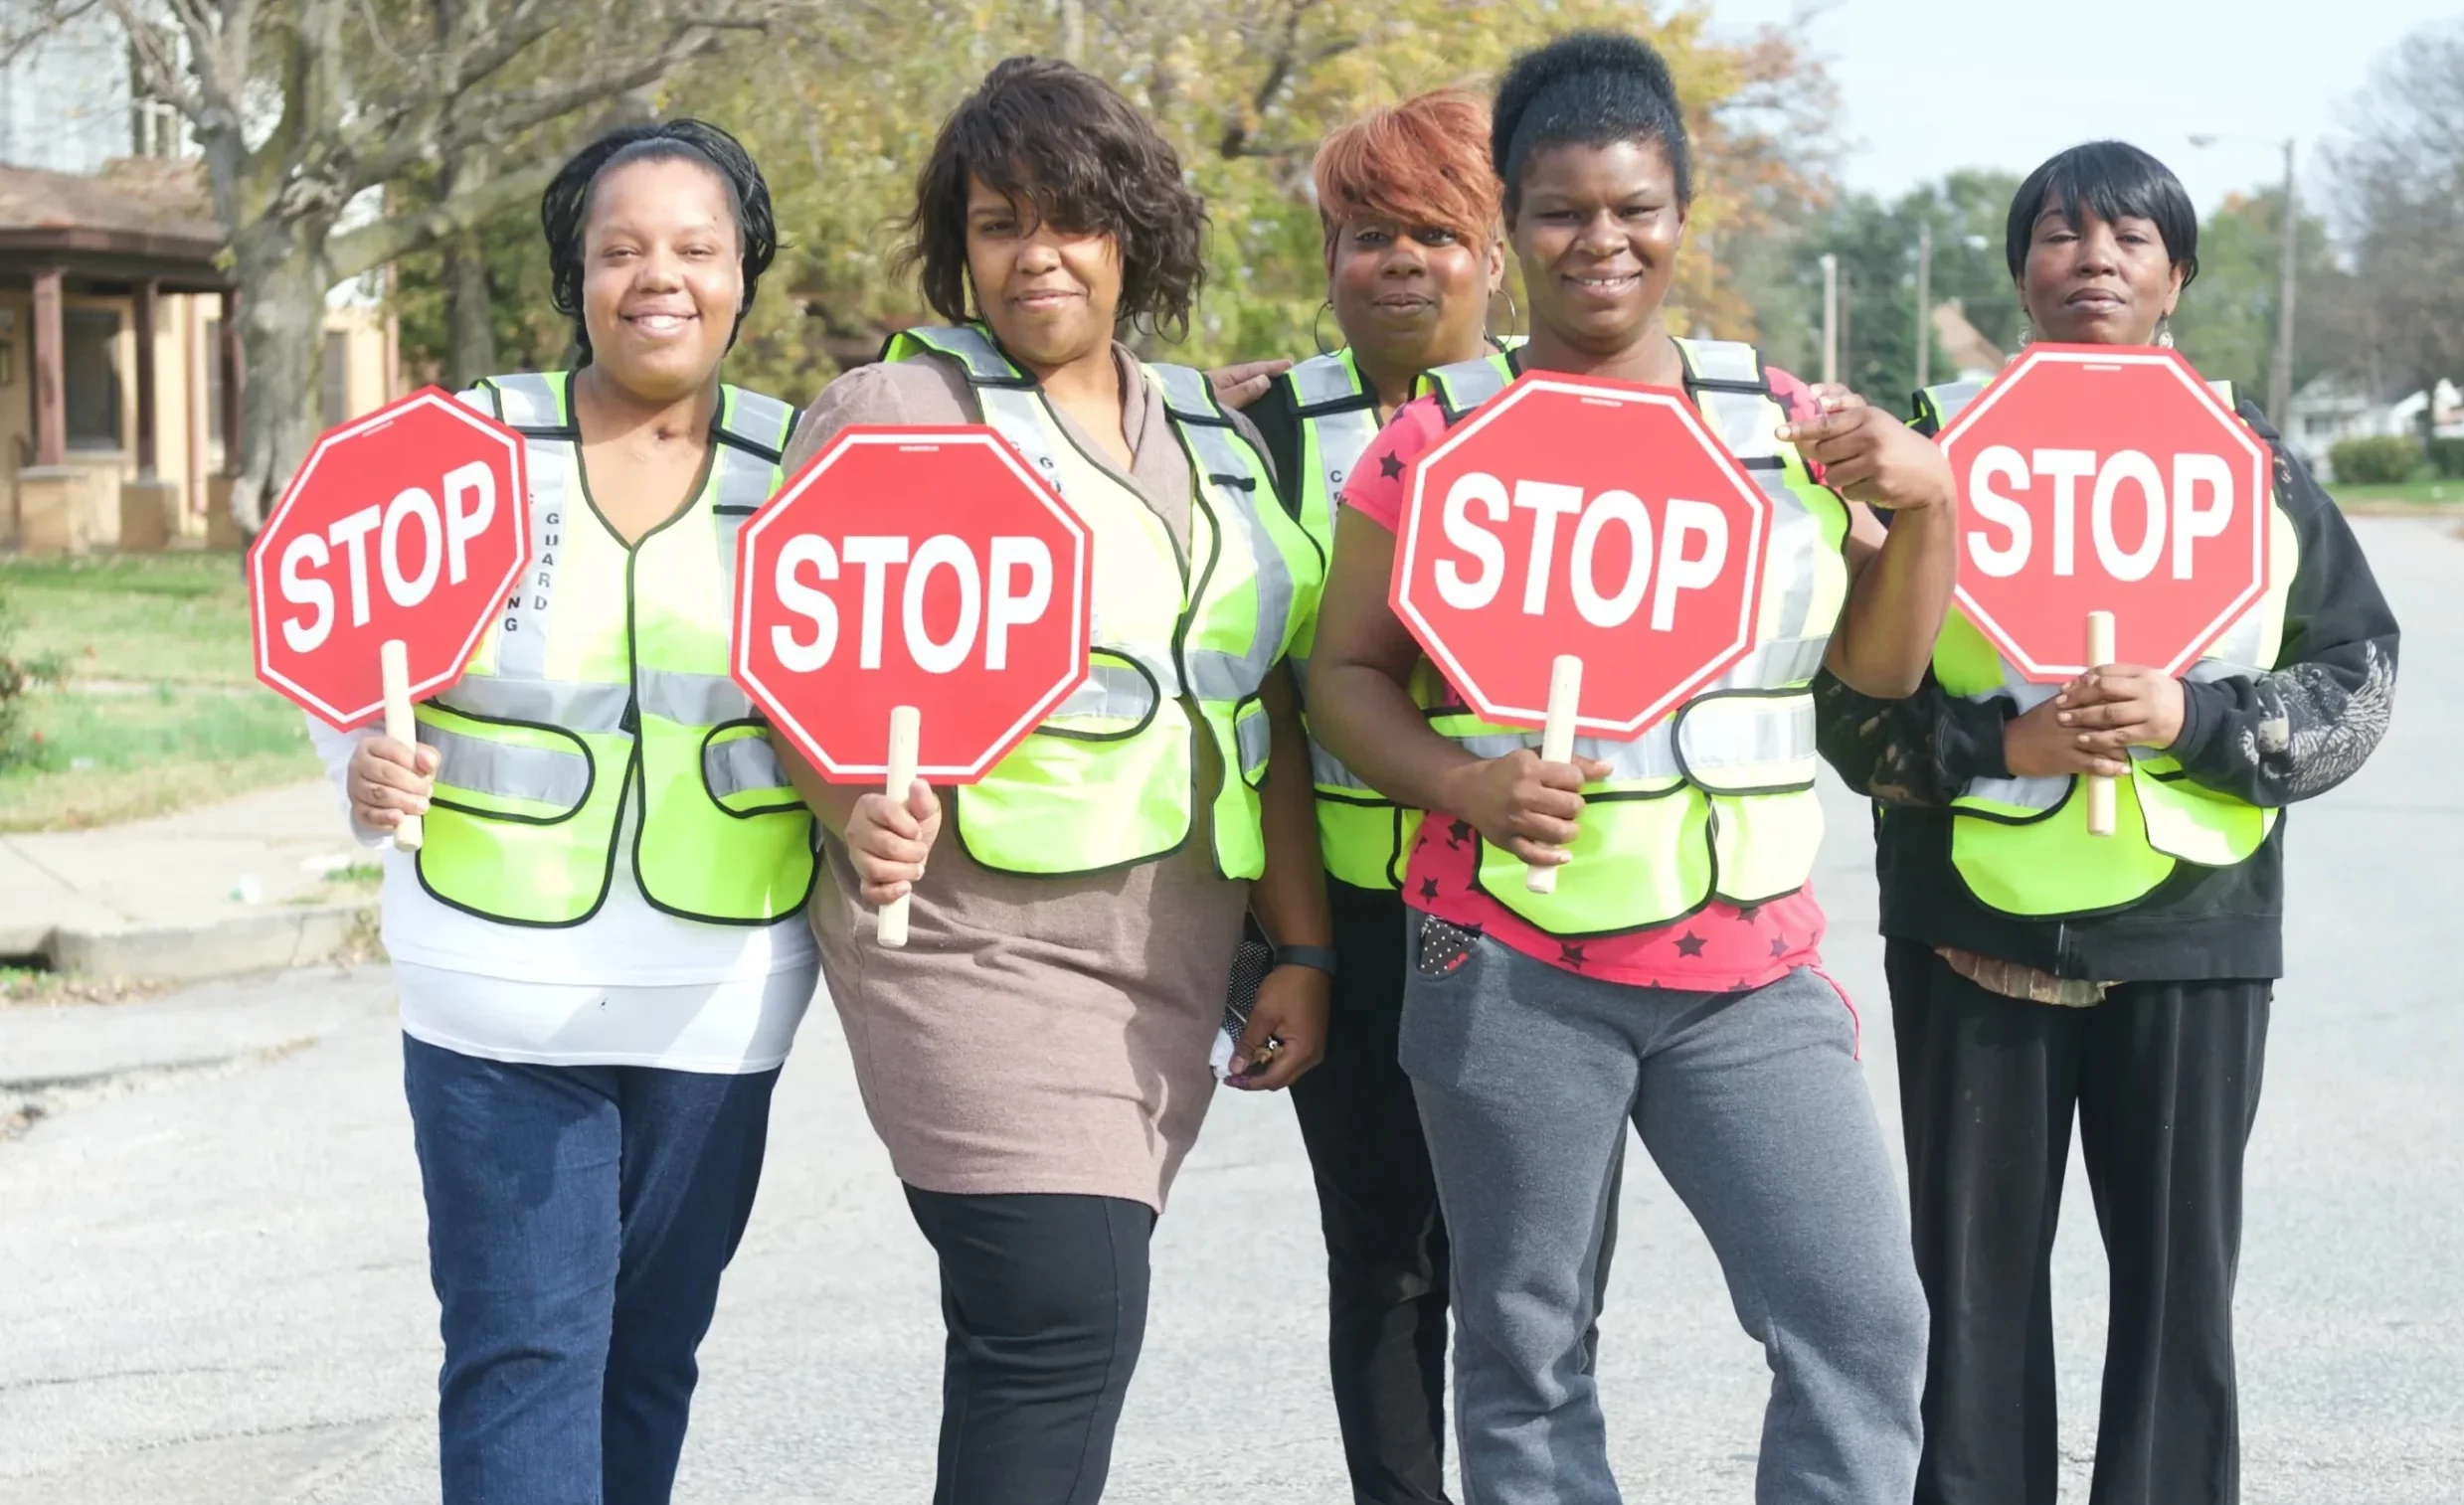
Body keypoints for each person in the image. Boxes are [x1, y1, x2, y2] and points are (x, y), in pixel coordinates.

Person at [1308, 31, 1954, 1505]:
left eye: (1635, 207)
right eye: (1560, 211)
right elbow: (1342, 678)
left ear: (1682, 208)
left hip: (1749, 975)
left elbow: (1883, 668)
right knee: (1527, 1344)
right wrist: (1463, 786)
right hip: (1508, 965)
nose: (1602, 241)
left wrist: (1927, 507)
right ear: (1511, 228)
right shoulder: (1432, 442)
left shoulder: (1777, 427)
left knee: (1862, 1319)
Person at [770, 57, 1330, 1505]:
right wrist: (850, 807)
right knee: (1060, 1319)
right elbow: (785, 659)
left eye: (1070, 218)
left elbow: (1253, 693)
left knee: (1060, 1326)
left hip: (1174, 952)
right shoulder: (897, 406)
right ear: (959, 247)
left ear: (1131, 232)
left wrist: (1304, 945)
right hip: (966, 942)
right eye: (998, 220)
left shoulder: (1208, 432)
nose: (1037, 254)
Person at [1815, 140, 2399, 1505]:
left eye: (2132, 240)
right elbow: (1846, 707)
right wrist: (1998, 744)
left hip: (2194, 940)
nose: (2095, 260)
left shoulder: (2252, 459)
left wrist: (2195, 720)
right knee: (1970, 1305)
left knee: (2180, 1308)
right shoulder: (1929, 445)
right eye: (2064, 235)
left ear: (2178, 278)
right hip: (1974, 939)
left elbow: (2357, 675)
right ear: (2020, 268)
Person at [312, 119, 818, 1505]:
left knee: (648, 1355)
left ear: (744, 273)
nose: (659, 277)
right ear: (574, 274)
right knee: (525, 1352)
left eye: (696, 248)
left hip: (721, 993)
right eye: (621, 249)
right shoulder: (462, 452)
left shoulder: (813, 471)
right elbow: (335, 643)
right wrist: (354, 763)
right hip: (495, 992)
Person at [1235, 88, 1622, 1505]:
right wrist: (1298, 947)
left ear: (1496, 254)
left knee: (1535, 1264)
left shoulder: (1583, 408)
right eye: (1363, 233)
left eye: (1436, 231)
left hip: (1541, 907)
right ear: (1328, 257)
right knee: (1384, 1255)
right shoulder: (1260, 429)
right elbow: (1267, 705)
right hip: (1354, 909)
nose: (1399, 260)